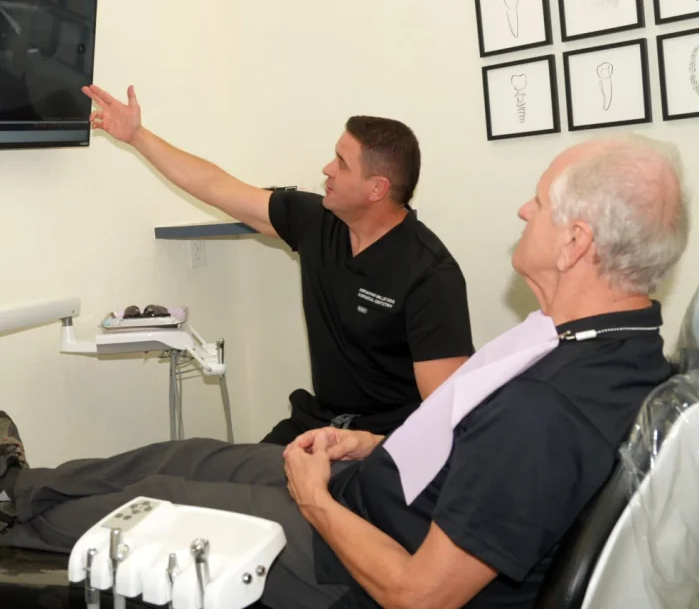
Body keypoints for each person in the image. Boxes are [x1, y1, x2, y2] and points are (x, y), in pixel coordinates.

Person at [0, 134, 689, 609]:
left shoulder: (549, 409)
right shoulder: (604, 346)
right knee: (187, 456)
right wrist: (369, 448)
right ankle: (13, 486)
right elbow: (465, 429)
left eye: (541, 204)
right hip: (374, 485)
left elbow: (420, 596)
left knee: (157, 504)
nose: (524, 211)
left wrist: (317, 502)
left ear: (576, 242)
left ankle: (6, 504)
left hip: (350, 563)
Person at [83, 83, 475, 444]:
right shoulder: (318, 221)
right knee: (229, 484)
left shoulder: (429, 275)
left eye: (341, 162)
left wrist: (367, 448)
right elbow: (215, 185)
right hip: (319, 423)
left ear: (377, 189)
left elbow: (447, 419)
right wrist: (137, 136)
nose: (327, 169)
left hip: (388, 441)